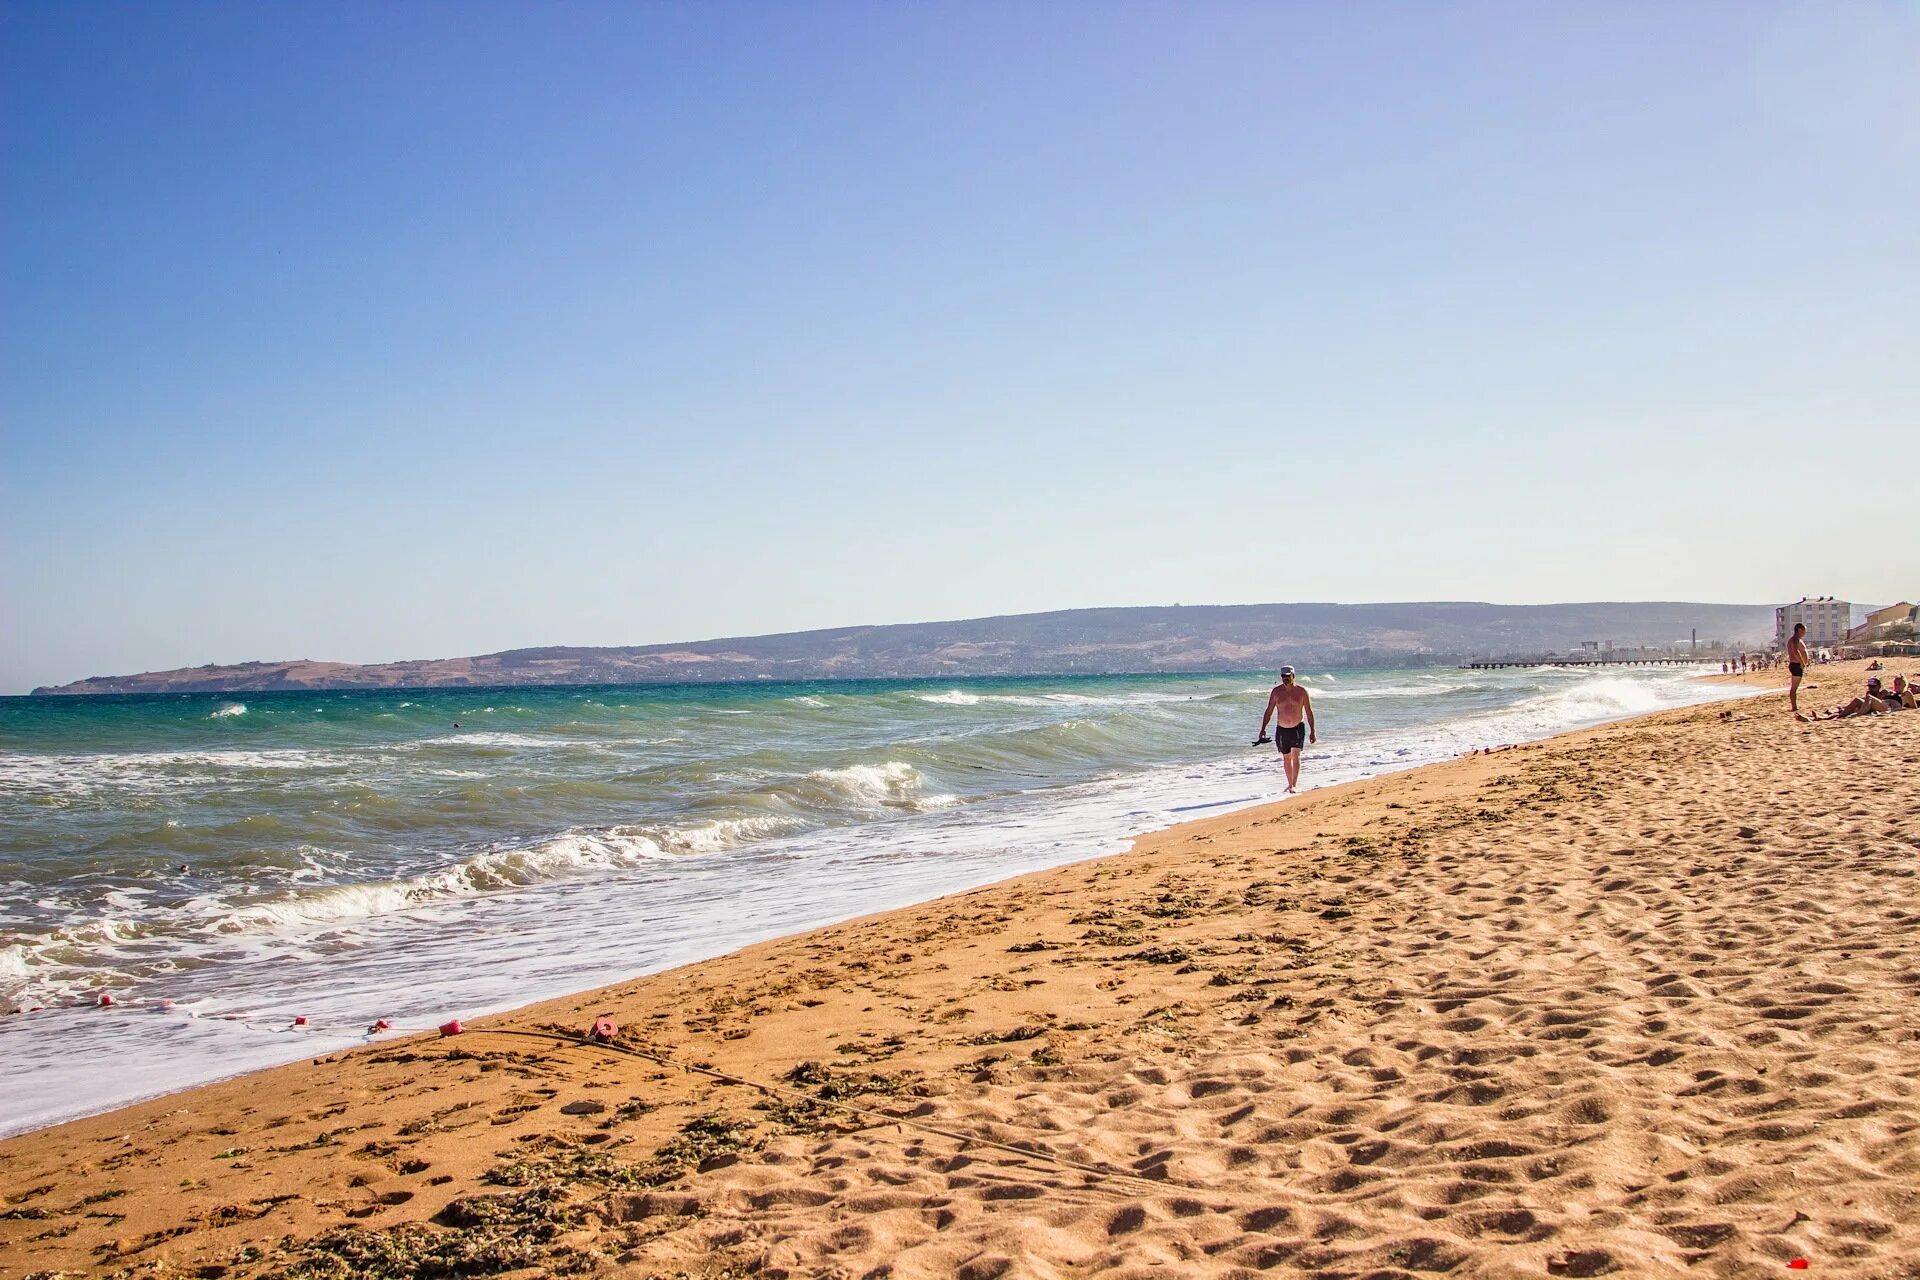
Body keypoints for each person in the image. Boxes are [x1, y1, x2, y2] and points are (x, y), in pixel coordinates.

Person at [1254, 666, 1317, 794]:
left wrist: (1313, 731)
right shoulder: (1276, 692)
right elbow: (1269, 711)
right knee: (1286, 757)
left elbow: (1309, 712)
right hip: (1282, 729)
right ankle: (1290, 784)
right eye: (1283, 676)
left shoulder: (1302, 692)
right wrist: (1263, 728)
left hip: (1298, 727)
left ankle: (1294, 785)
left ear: (1293, 676)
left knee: (1296, 755)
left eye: (1288, 676)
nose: (1285, 679)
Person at [1787, 623, 1811, 721]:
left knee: (1794, 687)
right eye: (1804, 630)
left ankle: (1794, 706)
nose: (1805, 632)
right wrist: (1802, 663)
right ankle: (1794, 706)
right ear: (1799, 630)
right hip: (1796, 665)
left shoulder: (1796, 639)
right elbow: (1796, 652)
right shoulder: (1795, 640)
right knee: (1794, 688)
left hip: (1797, 665)